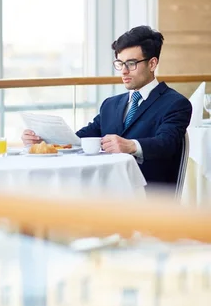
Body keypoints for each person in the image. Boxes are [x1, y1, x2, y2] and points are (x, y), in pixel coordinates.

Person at [22, 26, 192, 186]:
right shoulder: (111, 105)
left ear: (152, 64)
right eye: (120, 64)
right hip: (104, 191)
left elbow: (167, 143)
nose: (123, 71)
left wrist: (131, 145)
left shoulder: (175, 104)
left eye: (131, 64)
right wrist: (45, 141)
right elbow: (80, 140)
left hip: (148, 195)